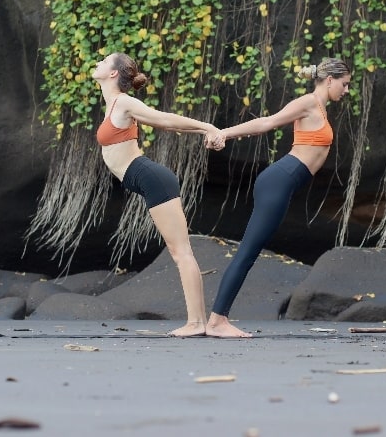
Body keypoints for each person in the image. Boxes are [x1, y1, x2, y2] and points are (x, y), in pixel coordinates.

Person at [206, 58, 352, 337]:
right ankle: (217, 321)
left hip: (284, 182)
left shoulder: (319, 107)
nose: (346, 90)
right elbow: (267, 123)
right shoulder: (308, 102)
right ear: (330, 79)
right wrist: (224, 132)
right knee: (248, 252)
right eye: (344, 84)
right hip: (278, 180)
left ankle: (217, 319)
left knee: (250, 251)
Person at [93, 52, 224, 337]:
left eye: (104, 62)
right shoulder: (112, 103)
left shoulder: (125, 102)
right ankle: (198, 322)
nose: (97, 63)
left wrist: (207, 127)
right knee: (181, 251)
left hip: (152, 178)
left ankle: (196, 323)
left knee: (181, 251)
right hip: (144, 179)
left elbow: (165, 120)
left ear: (114, 73)